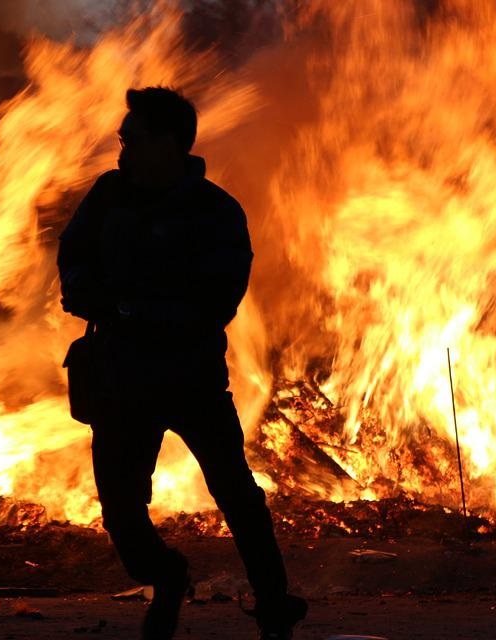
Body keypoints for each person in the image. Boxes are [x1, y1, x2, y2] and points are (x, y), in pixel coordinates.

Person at [57, 87, 307, 640]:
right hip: (120, 380)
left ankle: (274, 606)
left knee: (236, 495)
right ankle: (167, 575)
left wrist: (129, 309)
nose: (122, 151)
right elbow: (73, 253)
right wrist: (81, 288)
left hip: (190, 378)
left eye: (133, 140)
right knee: (121, 511)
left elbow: (216, 302)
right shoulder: (109, 195)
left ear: (170, 143)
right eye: (122, 140)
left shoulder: (216, 212)